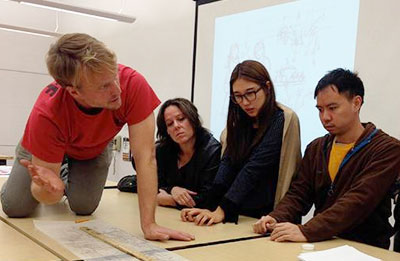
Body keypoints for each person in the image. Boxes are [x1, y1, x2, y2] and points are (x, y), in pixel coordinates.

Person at [0, 33, 194, 242]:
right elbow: (47, 194)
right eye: (104, 86)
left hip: (93, 147)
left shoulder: (133, 83)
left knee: (83, 207)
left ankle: (65, 170)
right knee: (16, 207)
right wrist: (50, 190)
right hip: (47, 145)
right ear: (74, 92)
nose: (117, 90)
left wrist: (149, 224)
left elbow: (146, 157)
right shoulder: (47, 113)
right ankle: (60, 167)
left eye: (114, 77)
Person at [253, 68, 400, 249]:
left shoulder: (386, 149)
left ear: (356, 103)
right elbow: (299, 193)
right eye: (320, 110)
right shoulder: (316, 147)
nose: (325, 117)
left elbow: (358, 201)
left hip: (364, 248)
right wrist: (276, 217)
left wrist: (307, 230)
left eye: (332, 108)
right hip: (323, 244)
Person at [181, 60, 301, 225]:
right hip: (238, 212)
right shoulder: (239, 122)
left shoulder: (282, 118)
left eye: (250, 93)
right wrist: (209, 207)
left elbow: (254, 168)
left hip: (268, 217)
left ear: (267, 87)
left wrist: (221, 210)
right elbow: (227, 164)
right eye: (238, 96)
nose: (245, 102)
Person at [155, 98, 221, 209]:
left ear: (193, 119)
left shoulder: (212, 151)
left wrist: (170, 200)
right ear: (167, 131)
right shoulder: (163, 150)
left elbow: (209, 199)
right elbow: (155, 185)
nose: (176, 126)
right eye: (170, 124)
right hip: (168, 215)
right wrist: (172, 189)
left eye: (181, 119)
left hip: (200, 218)